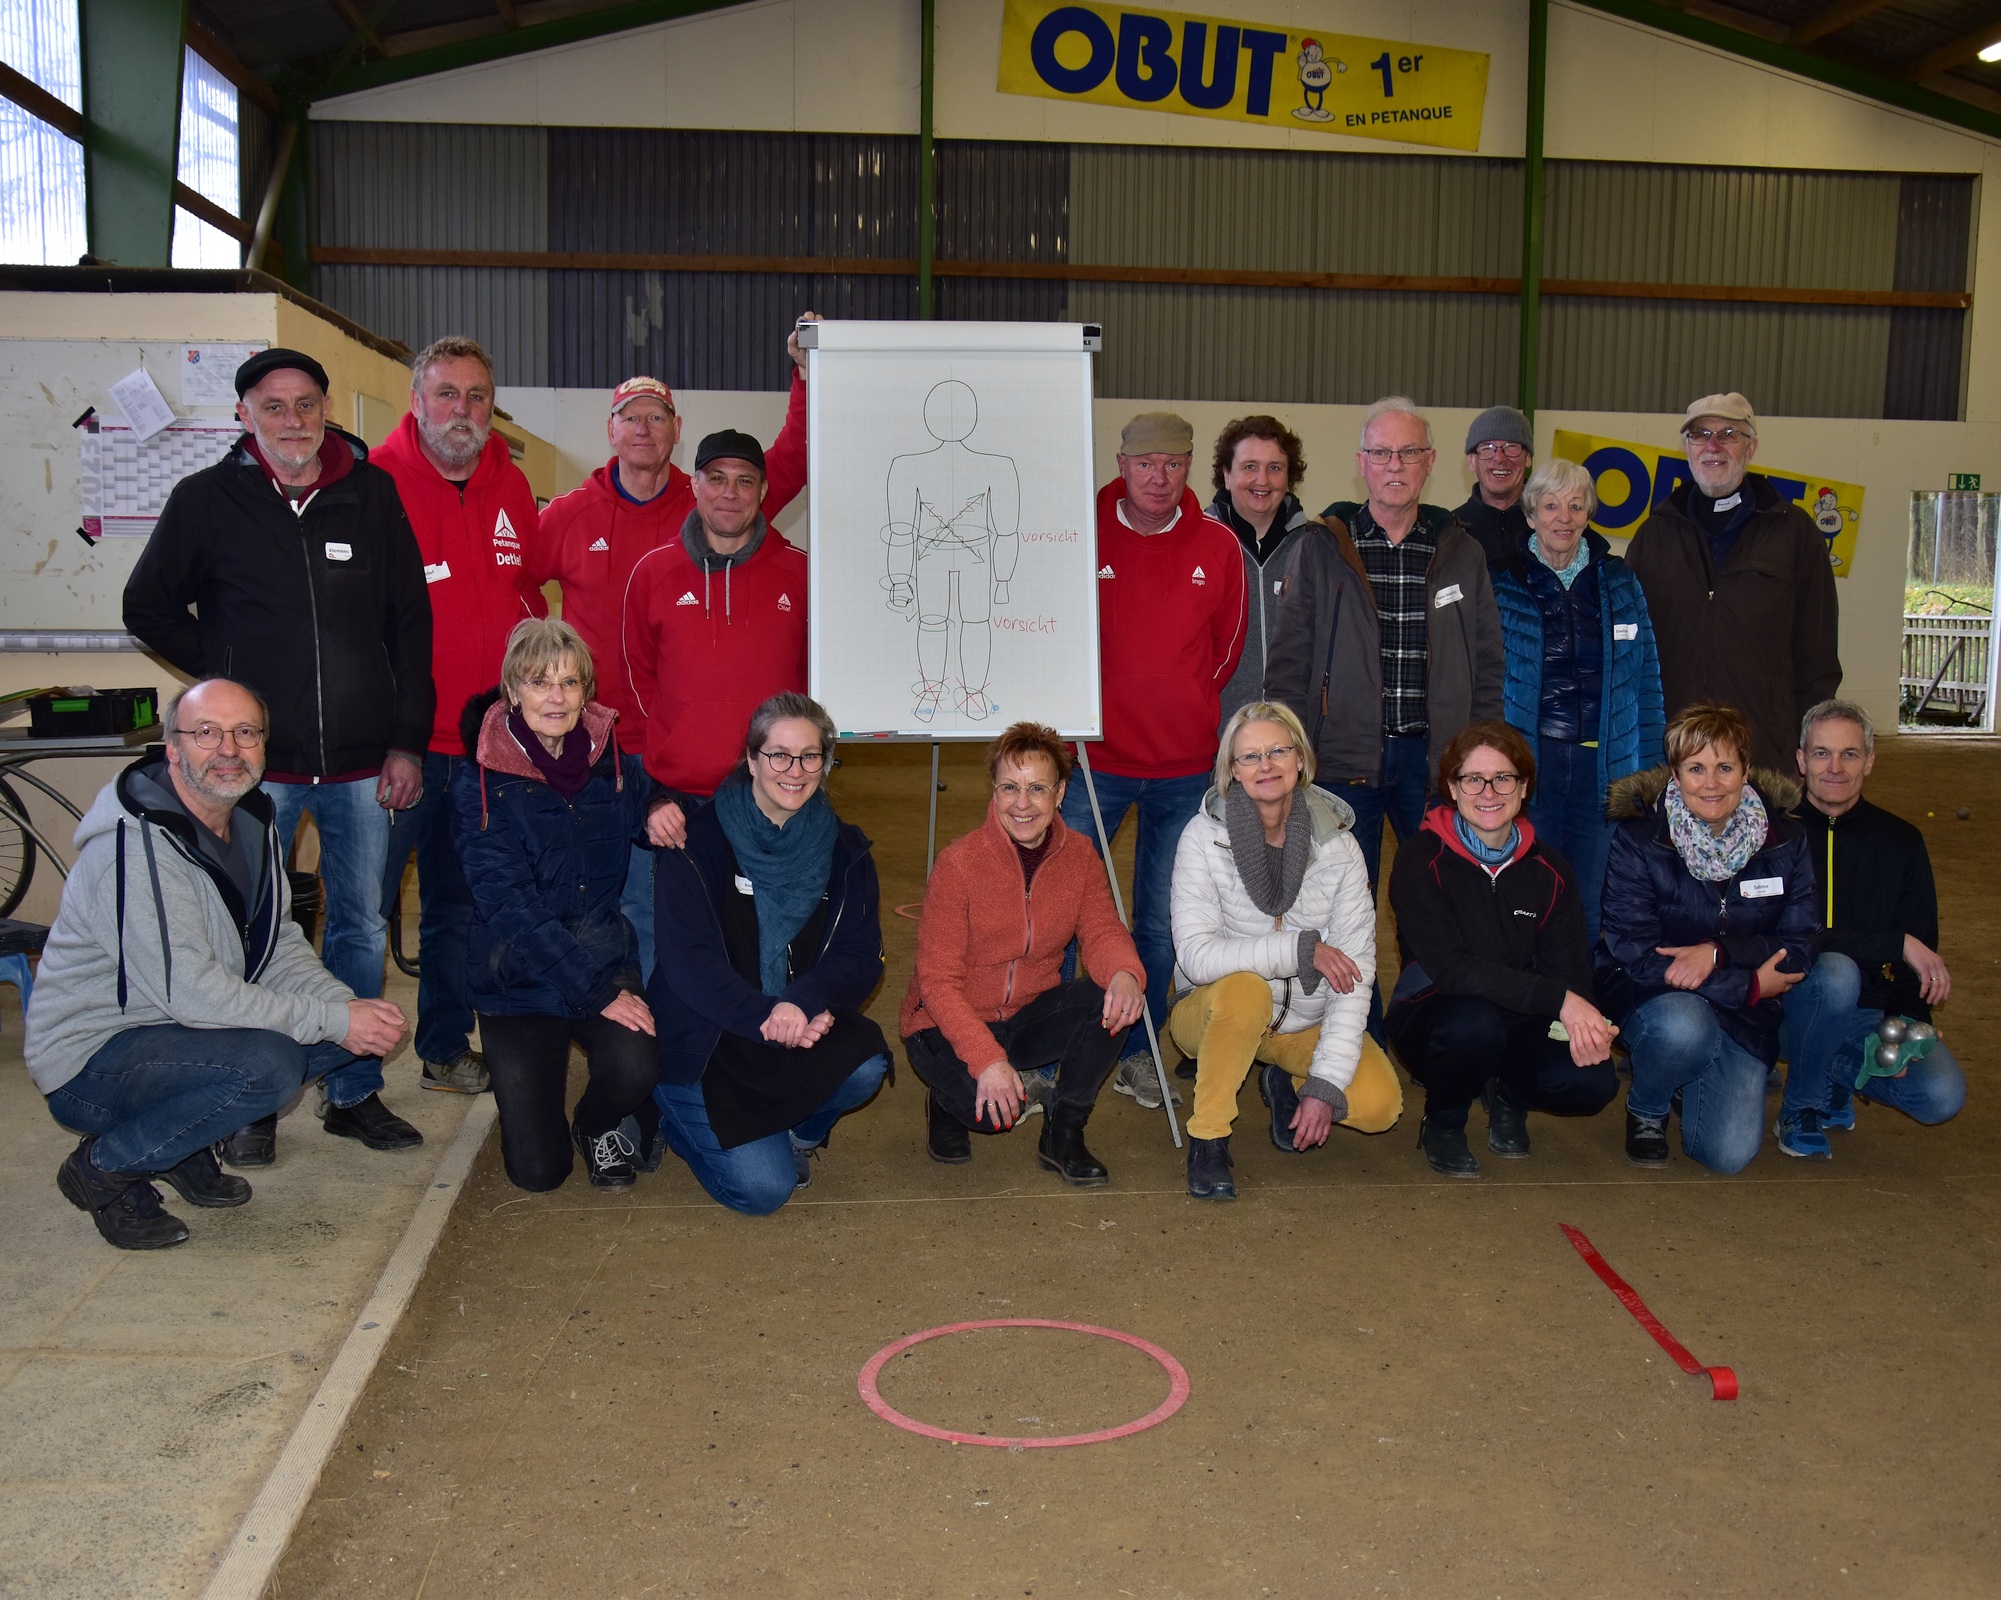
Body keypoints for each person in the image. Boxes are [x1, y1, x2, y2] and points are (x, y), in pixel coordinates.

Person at [123, 347, 432, 1165]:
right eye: (272, 405)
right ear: (244, 415)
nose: (291, 420)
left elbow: (410, 622)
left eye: (305, 404)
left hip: (362, 763)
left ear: (326, 410)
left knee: (360, 926)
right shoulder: (206, 500)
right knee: (250, 931)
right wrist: (226, 677)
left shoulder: (372, 495)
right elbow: (146, 604)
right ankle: (254, 1094)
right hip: (255, 771)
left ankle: (351, 1090)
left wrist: (406, 740)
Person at [25, 680, 414, 1250]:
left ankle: (178, 1147)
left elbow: (277, 943)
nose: (229, 748)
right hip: (92, 1059)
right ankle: (107, 1166)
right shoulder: (134, 848)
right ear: (172, 747)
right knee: (269, 1065)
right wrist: (334, 1019)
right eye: (206, 732)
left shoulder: (251, 818)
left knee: (350, 1028)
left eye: (245, 732)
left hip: (172, 1032)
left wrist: (344, 1009)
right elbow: (193, 994)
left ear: (263, 745)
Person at [532, 317, 815, 974]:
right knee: (617, 898)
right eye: (630, 417)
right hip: (596, 745)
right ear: (610, 429)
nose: (643, 428)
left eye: (656, 417)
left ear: (675, 430)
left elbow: (790, 458)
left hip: (676, 753)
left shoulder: (711, 503)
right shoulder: (568, 515)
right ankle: (631, 1013)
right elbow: (512, 586)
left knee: (718, 909)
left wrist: (805, 373)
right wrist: (537, 688)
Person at [372, 335, 552, 1097]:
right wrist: (388, 734)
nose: (462, 410)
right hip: (397, 748)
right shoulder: (375, 483)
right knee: (363, 912)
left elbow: (527, 595)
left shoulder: (512, 486)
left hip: (483, 751)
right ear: (416, 402)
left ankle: (443, 1050)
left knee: (456, 909)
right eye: (446, 393)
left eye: (477, 396)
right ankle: (345, 1074)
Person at [451, 620, 682, 1191]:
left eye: (569, 683)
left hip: (601, 952)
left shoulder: (609, 759)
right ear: (513, 691)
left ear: (586, 693)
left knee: (638, 1064)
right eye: (539, 683)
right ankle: (542, 1125)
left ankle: (595, 1123)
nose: (556, 697)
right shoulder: (479, 783)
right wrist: (599, 994)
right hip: (518, 979)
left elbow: (645, 799)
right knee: (539, 1173)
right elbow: (512, 909)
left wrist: (658, 804)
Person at [1061, 411, 1247, 1108]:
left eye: (1172, 464)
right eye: (1145, 464)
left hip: (1182, 769)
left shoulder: (1218, 545)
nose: (1158, 477)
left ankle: (1139, 1051)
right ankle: (1058, 1045)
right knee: (1063, 908)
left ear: (1189, 467)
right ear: (1121, 465)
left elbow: (1226, 650)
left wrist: (1186, 703)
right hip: (1094, 764)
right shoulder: (1079, 533)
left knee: (1161, 922)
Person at [649, 694, 888, 1214]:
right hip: (712, 1038)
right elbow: (688, 963)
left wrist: (802, 1002)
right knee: (763, 1192)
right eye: (779, 755)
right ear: (752, 759)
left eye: (809, 756)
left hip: (793, 1024)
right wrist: (768, 1015)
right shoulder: (694, 842)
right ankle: (670, 1113)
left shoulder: (846, 850)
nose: (794, 771)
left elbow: (859, 953)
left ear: (825, 763)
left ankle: (796, 1134)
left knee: (868, 1064)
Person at [1597, 703, 1857, 1173]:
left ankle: (1705, 1079)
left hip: (1745, 1013)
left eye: (1725, 767)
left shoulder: (1787, 839)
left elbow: (1801, 939)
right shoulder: (1639, 839)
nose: (1711, 783)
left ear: (1746, 770)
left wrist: (1717, 953)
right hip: (1660, 996)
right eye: (1696, 768)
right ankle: (1649, 1106)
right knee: (1684, 1028)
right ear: (1675, 774)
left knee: (1728, 1155)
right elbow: (1634, 949)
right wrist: (1748, 984)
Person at [1266, 395, 1504, 897]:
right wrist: (1290, 751)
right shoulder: (1321, 548)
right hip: (1341, 762)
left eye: (1409, 452)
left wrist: (1479, 750)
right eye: (1381, 453)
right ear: (1362, 463)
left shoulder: (1462, 552)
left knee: (1441, 899)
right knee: (1342, 901)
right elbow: (1289, 663)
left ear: (1430, 462)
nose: (1395, 465)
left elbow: (1487, 664)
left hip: (1437, 764)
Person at [1168, 702, 1401, 1200]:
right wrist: (1298, 951)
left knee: (1379, 1107)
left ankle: (1285, 1082)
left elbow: (1355, 973)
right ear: (1232, 770)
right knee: (1246, 990)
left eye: (1277, 751)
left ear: (1300, 759)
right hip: (1212, 1013)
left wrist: (1324, 1086)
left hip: (1302, 1022)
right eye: (1250, 756)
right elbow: (1196, 957)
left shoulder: (1341, 848)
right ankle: (1209, 1138)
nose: (1266, 765)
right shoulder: (1203, 837)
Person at [903, 723, 1146, 1187]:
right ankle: (945, 1101)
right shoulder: (958, 865)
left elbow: (1102, 929)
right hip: (942, 1022)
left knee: (1111, 1000)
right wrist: (985, 1059)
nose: (1022, 803)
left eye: (1037, 788)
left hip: (1025, 1015)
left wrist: (1124, 972)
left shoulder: (1081, 856)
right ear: (993, 792)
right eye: (1009, 787)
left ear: (1060, 793)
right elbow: (937, 981)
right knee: (995, 1115)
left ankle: (1063, 1131)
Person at [1386, 721, 1619, 1177]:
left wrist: (1585, 1021)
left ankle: (1509, 1095)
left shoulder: (1550, 869)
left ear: (1524, 786)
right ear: (1453, 787)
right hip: (1438, 1012)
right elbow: (1452, 969)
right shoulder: (1420, 859)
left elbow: (1568, 966)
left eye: (1503, 778)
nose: (1488, 792)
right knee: (1475, 1024)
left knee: (1591, 1081)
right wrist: (1558, 999)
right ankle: (1444, 1121)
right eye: (1473, 778)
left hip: (1521, 1015)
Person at [619, 427, 803, 973]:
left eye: (745, 481)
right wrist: (655, 781)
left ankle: (757, 1026)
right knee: (658, 929)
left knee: (760, 935)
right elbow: (636, 680)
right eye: (717, 478)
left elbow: (811, 694)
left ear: (763, 490)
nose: (730, 493)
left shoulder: (801, 573)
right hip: (675, 801)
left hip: (767, 798)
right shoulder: (652, 572)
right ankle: (657, 1025)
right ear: (694, 486)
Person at [1492, 458, 1664, 943]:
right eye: (1550, 506)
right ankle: (1532, 992)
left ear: (1588, 514)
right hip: (1532, 767)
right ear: (1531, 516)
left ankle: (1580, 994)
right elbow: (1484, 681)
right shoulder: (1502, 582)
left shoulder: (1620, 581)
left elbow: (1647, 679)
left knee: (1591, 906)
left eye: (1575, 505)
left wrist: (1653, 771)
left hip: (1604, 771)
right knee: (1531, 900)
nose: (1563, 518)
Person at [1624, 393, 1841, 771]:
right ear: (1686, 448)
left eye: (1728, 434)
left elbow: (1817, 658)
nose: (1713, 446)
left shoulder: (1795, 534)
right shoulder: (1653, 536)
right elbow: (1628, 651)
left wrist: (1810, 746)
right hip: (1671, 755)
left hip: (1763, 756)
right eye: (1700, 435)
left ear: (1751, 447)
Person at [1786, 699, 1964, 1154]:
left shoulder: (1902, 842)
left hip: (1867, 1012)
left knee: (1941, 1094)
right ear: (1802, 761)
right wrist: (1893, 943)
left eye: (1850, 754)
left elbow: (1920, 955)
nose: (1835, 768)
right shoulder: (1772, 835)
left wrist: (1906, 1026)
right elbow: (1791, 938)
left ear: (1869, 761)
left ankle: (1837, 1073)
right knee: (1835, 971)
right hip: (1783, 1004)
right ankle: (1801, 1105)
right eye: (1822, 753)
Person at [1207, 415, 1315, 722]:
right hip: (1219, 732)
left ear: (1289, 478)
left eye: (1274, 468)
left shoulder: (1313, 547)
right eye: (1250, 467)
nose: (1262, 480)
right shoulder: (1200, 546)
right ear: (1227, 475)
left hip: (1294, 731)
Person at [1453, 405, 1535, 573]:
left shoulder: (1552, 527)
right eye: (1487, 448)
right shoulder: (1450, 530)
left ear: (1528, 458)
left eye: (1511, 447)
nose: (1499, 458)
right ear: (1471, 461)